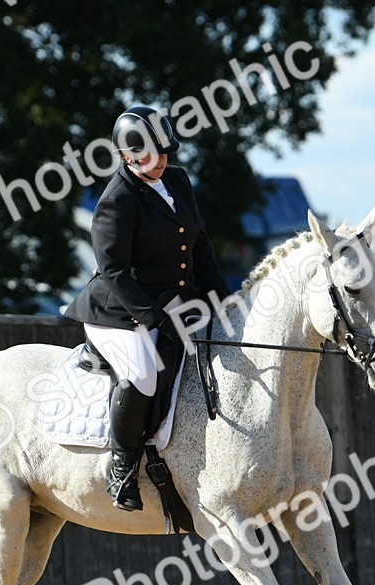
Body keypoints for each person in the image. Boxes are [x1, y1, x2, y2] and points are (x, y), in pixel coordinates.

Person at [63, 105, 231, 512]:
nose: (161, 162)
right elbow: (114, 271)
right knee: (143, 373)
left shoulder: (177, 180)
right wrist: (155, 318)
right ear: (126, 156)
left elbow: (199, 243)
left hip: (172, 299)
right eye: (150, 156)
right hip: (119, 310)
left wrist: (224, 297)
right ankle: (121, 468)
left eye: (165, 153)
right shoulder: (116, 201)